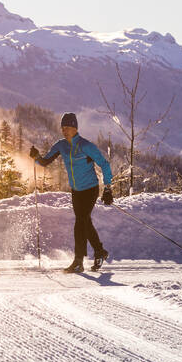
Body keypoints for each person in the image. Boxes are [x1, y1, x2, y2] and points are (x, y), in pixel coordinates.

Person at [29, 112, 113, 273]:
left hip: (90, 189)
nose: (65, 130)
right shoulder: (61, 145)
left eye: (68, 127)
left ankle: (78, 261)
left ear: (75, 128)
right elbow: (46, 161)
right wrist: (36, 156)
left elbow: (104, 163)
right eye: (63, 127)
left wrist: (107, 187)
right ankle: (100, 251)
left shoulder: (85, 146)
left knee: (80, 222)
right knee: (85, 222)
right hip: (76, 190)